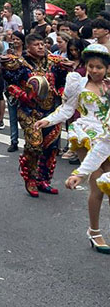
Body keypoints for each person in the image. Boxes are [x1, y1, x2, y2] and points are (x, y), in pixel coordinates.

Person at [37, 44, 110, 253]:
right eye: (91, 66)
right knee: (97, 184)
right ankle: (94, 230)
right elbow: (68, 109)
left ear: (107, 68)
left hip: (107, 135)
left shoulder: (109, 87)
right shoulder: (79, 84)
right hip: (87, 134)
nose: (94, 71)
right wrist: (48, 120)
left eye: (99, 67)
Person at [0, 33, 69, 197]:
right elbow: (10, 86)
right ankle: (30, 178)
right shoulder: (19, 64)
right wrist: (23, 95)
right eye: (37, 44)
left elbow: (62, 82)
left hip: (52, 112)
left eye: (42, 44)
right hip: (29, 111)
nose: (41, 47)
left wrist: (61, 92)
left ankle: (43, 180)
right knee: (35, 144)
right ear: (28, 47)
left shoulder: (54, 62)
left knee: (51, 147)